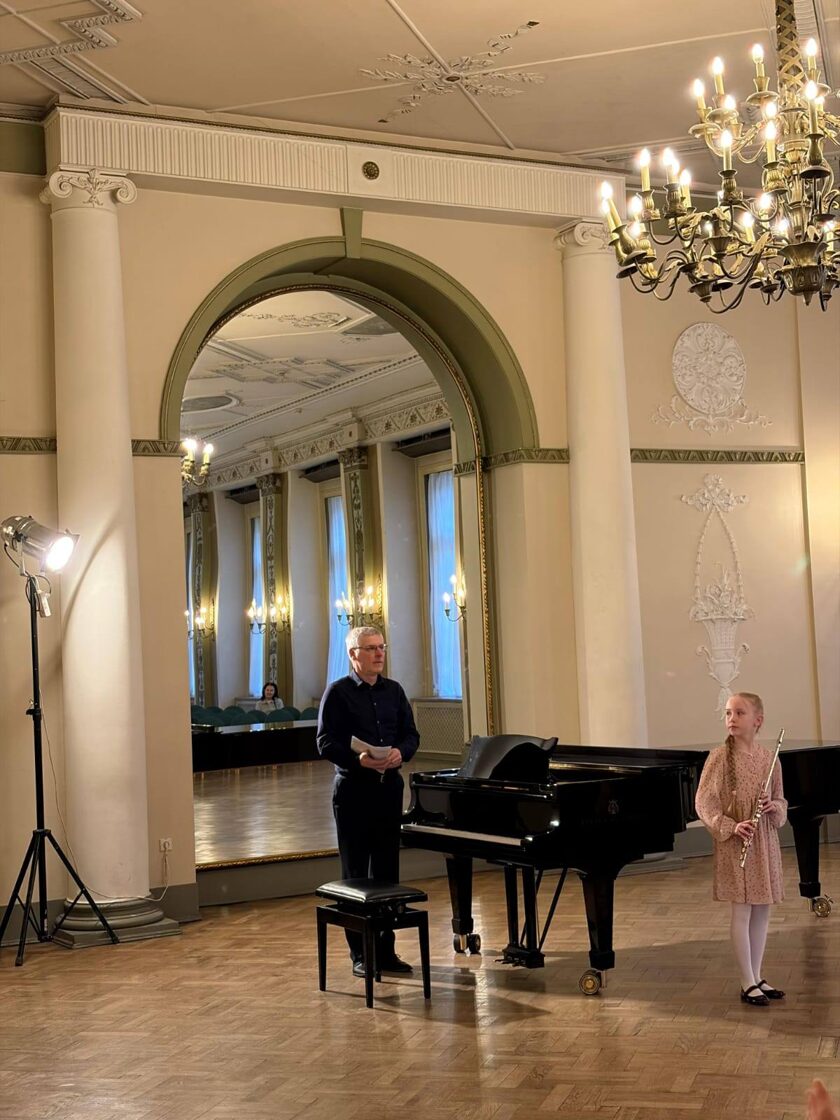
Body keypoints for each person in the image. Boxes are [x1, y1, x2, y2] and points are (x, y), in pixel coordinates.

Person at [317, 625, 419, 978]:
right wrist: (357, 759)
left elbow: (411, 735)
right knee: (356, 874)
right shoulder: (338, 692)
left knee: (388, 872)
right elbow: (325, 742)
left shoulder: (394, 691)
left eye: (381, 647)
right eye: (371, 648)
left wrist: (400, 752)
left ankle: (386, 952)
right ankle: (361, 953)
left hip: (388, 789)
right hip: (353, 793)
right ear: (353, 655)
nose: (379, 654)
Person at [695, 691, 788, 1006]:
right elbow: (704, 802)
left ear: (757, 721)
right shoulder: (719, 758)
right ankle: (746, 981)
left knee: (762, 908)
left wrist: (774, 806)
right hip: (737, 843)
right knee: (743, 909)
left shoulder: (770, 758)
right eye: (728, 713)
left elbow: (781, 800)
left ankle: (757, 976)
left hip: (764, 842)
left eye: (739, 713)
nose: (731, 719)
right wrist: (730, 826)